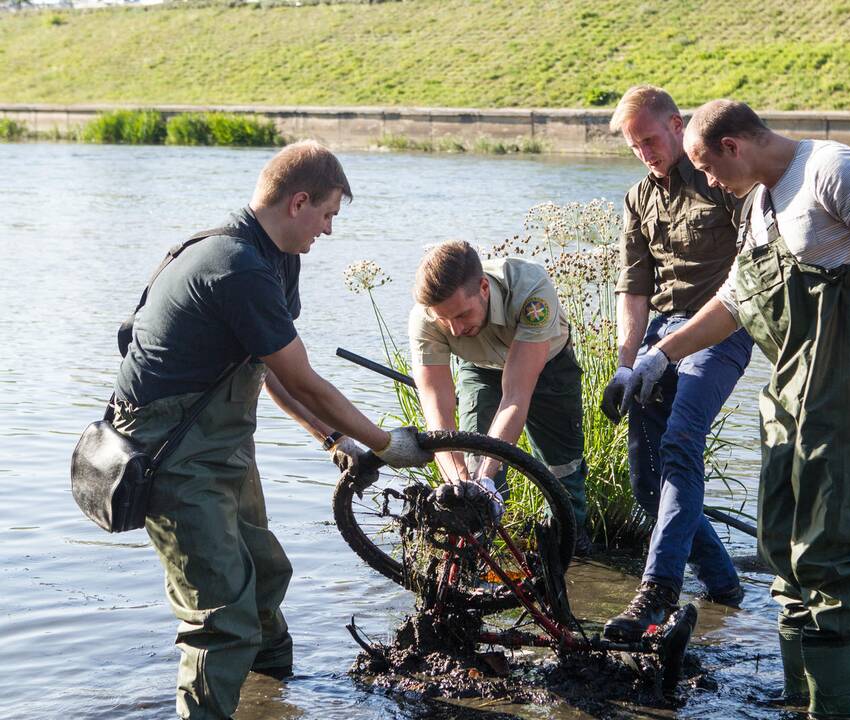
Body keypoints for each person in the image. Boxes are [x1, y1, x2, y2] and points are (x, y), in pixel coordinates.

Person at [624, 99, 850, 718]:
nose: (708, 183)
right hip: (793, 393)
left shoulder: (832, 169)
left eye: (709, 169)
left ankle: (836, 708)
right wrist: (659, 354)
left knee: (832, 549)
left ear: (734, 145)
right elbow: (736, 301)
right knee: (784, 544)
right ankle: (797, 700)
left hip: (849, 391)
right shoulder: (760, 204)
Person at [110, 140, 431, 720]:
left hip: (222, 443)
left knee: (264, 576)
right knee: (221, 616)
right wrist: (387, 444)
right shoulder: (234, 266)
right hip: (169, 454)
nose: (329, 231)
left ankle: (274, 698)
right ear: (298, 201)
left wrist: (334, 441)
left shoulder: (279, 259)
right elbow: (305, 381)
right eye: (328, 215)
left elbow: (268, 371)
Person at [600, 85, 753, 643]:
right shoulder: (638, 197)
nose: (644, 151)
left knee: (680, 445)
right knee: (646, 483)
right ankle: (725, 588)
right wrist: (625, 363)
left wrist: (669, 350)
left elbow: (750, 276)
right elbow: (634, 289)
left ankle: (657, 592)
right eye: (633, 145)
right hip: (656, 336)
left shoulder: (721, 179)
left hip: (718, 331)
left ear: (675, 124)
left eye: (648, 138)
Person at [408, 240, 590, 552]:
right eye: (444, 319)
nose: (454, 330)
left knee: (562, 468)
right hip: (480, 367)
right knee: (474, 456)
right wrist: (461, 484)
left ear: (482, 287)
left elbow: (515, 396)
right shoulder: (426, 317)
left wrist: (484, 477)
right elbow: (438, 413)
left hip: (548, 364)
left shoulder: (531, 289)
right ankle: (479, 550)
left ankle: (569, 548)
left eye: (463, 315)